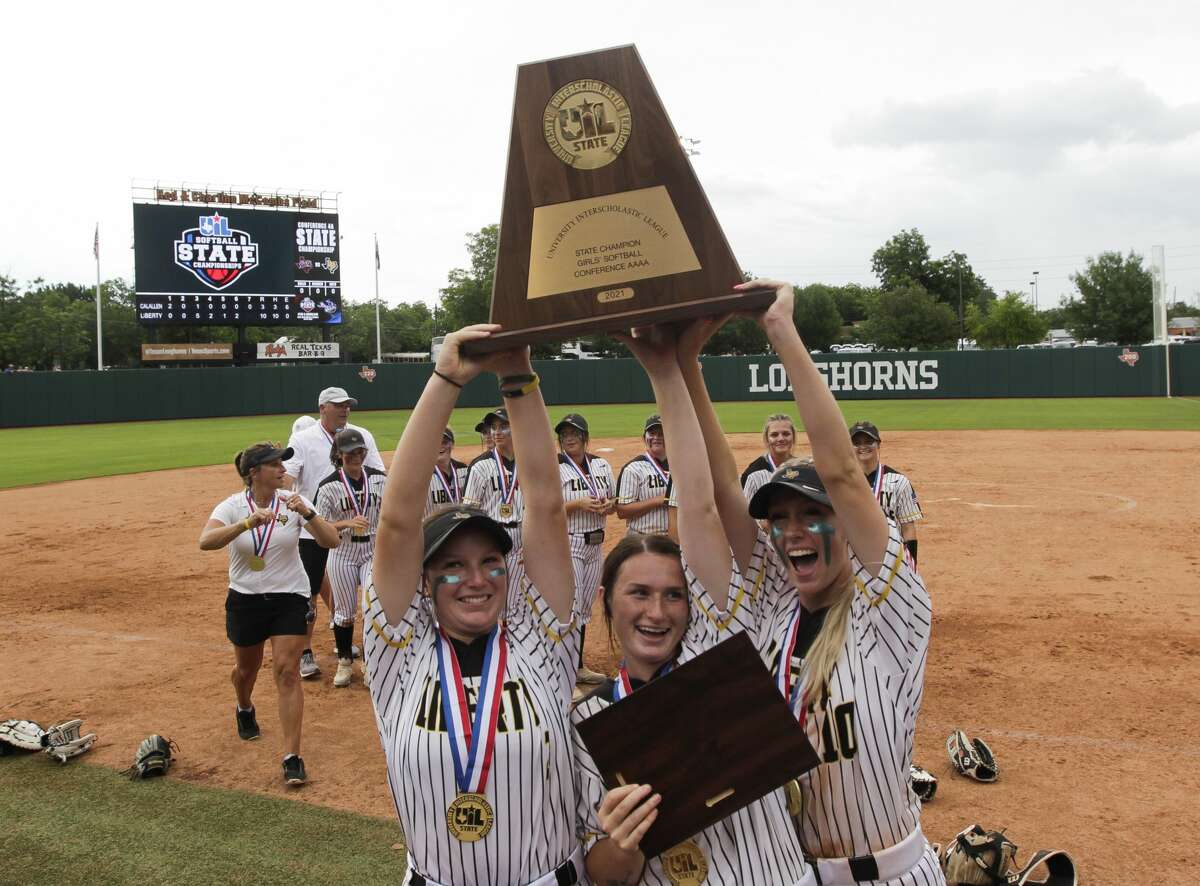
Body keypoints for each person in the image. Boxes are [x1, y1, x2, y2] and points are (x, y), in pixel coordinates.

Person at [673, 283, 942, 885]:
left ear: (845, 524)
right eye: (781, 519)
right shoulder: (775, 609)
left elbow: (845, 475)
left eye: (813, 515)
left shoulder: (891, 610)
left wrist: (780, 328)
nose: (794, 532)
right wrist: (685, 363)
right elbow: (721, 491)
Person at [572, 326, 814, 885]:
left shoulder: (718, 655)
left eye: (674, 595)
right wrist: (623, 841)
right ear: (607, 602)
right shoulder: (589, 722)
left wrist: (670, 369)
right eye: (639, 593)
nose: (657, 612)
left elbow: (701, 505)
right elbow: (604, 876)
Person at [365, 325, 582, 885]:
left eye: (491, 562)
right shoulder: (402, 651)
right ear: (425, 581)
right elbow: (396, 518)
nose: (475, 580)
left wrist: (518, 373)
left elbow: (546, 500)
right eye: (452, 567)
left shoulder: (539, 638)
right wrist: (445, 379)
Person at [199, 441, 340, 786]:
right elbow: (206, 541)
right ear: (254, 473)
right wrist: (245, 524)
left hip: (289, 597)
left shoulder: (294, 502)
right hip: (245, 599)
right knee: (246, 670)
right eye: (275, 465)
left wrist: (307, 513)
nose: (282, 470)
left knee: (286, 671)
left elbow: (332, 540)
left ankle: (293, 755)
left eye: (282, 464)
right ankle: (244, 706)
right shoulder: (233, 506)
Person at [284, 386, 384, 679]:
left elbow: (379, 473)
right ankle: (305, 652)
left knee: (356, 596)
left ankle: (350, 646)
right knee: (309, 593)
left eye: (348, 405)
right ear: (322, 408)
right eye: (339, 405)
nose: (345, 410)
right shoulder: (302, 439)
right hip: (312, 530)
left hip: (358, 535)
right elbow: (289, 476)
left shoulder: (361, 435)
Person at [315, 429, 387, 688]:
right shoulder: (328, 486)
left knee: (371, 607)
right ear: (339, 455)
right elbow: (319, 525)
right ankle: (344, 661)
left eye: (360, 452)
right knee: (344, 612)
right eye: (350, 453)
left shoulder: (380, 480)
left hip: (372, 551)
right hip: (342, 552)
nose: (356, 457)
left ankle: (370, 662)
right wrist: (347, 522)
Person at [554, 412, 616, 685]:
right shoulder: (554, 467)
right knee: (573, 604)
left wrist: (607, 505)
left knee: (585, 607)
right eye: (564, 434)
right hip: (570, 542)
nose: (569, 438)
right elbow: (547, 509)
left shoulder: (601, 465)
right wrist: (578, 504)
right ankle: (568, 665)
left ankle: (576, 665)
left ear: (585, 438)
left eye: (574, 434)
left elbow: (614, 501)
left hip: (596, 544)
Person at [849, 420, 923, 566]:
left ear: (878, 444)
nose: (863, 446)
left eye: (869, 441)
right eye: (857, 442)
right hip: (854, 561)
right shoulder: (843, 483)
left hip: (891, 559)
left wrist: (912, 566)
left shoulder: (898, 482)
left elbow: (908, 528)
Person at [463, 406, 524, 574]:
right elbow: (469, 511)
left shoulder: (528, 462)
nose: (497, 432)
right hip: (491, 538)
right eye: (494, 427)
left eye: (503, 427)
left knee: (519, 598)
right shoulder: (480, 466)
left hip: (522, 539)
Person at [616, 414, 671, 536]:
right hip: (643, 538)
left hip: (675, 540)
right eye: (652, 433)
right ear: (644, 437)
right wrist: (657, 500)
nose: (656, 437)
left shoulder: (681, 467)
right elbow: (622, 511)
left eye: (661, 433)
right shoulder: (633, 468)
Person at [741, 413, 799, 501]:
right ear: (767, 439)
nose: (780, 439)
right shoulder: (754, 473)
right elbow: (745, 512)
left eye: (786, 434)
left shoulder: (801, 468)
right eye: (774, 435)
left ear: (793, 437)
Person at [424, 427, 469, 517]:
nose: (440, 446)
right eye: (435, 442)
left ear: (452, 445)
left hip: (460, 526)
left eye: (444, 442)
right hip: (434, 528)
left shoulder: (464, 470)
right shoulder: (423, 474)